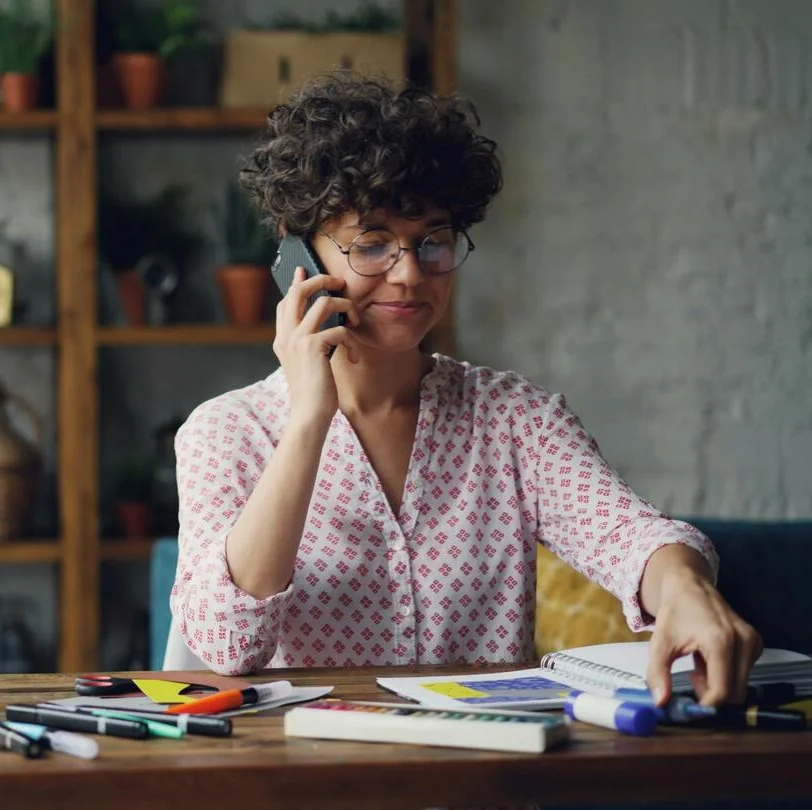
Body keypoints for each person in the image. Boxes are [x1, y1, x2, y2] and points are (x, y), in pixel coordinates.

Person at [170, 72, 761, 708]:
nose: (409, 275)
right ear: (299, 256)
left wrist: (686, 589)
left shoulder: (515, 418)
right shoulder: (225, 431)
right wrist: (310, 416)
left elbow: (627, 534)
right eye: (371, 245)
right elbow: (230, 643)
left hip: (486, 782)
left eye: (434, 242)